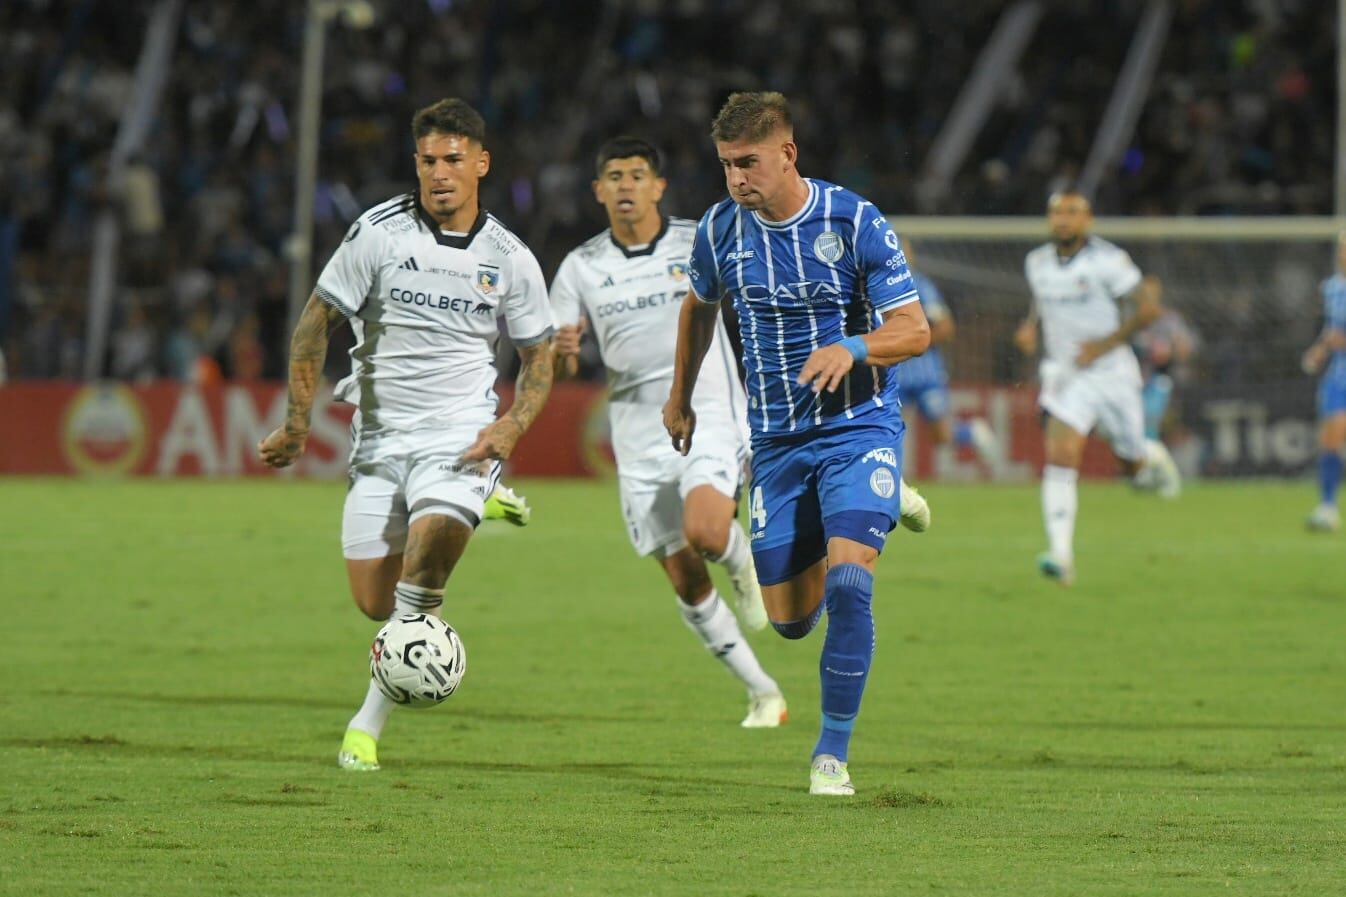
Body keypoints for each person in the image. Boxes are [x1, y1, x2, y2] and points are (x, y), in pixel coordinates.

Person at [257, 98, 555, 771]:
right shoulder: (379, 234)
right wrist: (299, 422)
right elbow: (313, 324)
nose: (439, 173)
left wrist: (509, 425)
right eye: (427, 161)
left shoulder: (509, 256)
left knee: (426, 567)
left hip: (461, 436)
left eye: (453, 159)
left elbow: (540, 356)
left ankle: (365, 726)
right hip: (382, 441)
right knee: (375, 603)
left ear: (481, 163)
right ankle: (486, 500)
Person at [664, 92, 932, 796]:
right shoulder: (721, 230)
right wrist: (680, 394)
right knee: (787, 623)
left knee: (850, 583)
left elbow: (915, 329)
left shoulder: (853, 219)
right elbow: (699, 306)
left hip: (857, 427)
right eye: (725, 166)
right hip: (778, 442)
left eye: (748, 163)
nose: (736, 180)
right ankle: (880, 501)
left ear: (788, 153)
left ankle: (830, 755)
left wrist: (854, 345)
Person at [550, 136, 786, 728]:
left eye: (637, 174)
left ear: (658, 187)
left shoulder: (698, 238)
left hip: (706, 407)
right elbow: (560, 359)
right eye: (614, 175)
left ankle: (743, 561)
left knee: (707, 531)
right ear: (598, 191)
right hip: (635, 433)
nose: (626, 185)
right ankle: (764, 693)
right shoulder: (580, 266)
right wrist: (561, 352)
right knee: (684, 578)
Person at [1014, 190, 1180, 587]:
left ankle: (1150, 455)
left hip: (1112, 373)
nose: (1063, 220)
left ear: (1087, 219)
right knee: (1061, 453)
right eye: (1056, 212)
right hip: (1065, 375)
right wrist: (1029, 327)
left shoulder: (1110, 261)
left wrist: (1103, 345)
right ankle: (1060, 554)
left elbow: (1148, 309)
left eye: (1072, 212)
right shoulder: (1036, 262)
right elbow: (1042, 304)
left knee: (1131, 467)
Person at [897, 238, 996, 467]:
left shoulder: (921, 285)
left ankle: (973, 432)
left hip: (925, 374)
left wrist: (911, 340)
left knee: (942, 436)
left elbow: (945, 327)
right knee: (888, 435)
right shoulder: (873, 288)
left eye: (904, 253)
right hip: (892, 374)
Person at [1301, 233, 1346, 532]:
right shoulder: (1333, 288)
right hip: (1340, 375)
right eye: (1343, 248)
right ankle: (1328, 506)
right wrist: (1319, 350)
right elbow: (1333, 332)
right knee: (1330, 439)